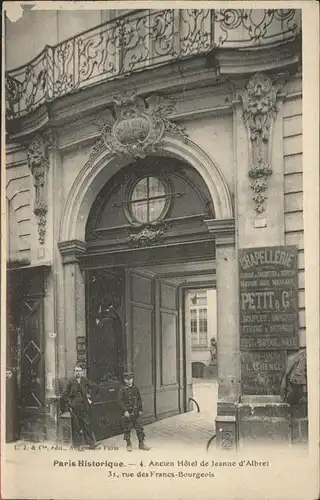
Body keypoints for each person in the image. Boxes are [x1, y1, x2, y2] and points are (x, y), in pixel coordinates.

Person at [61, 365, 99, 449]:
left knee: (87, 424)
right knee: (76, 425)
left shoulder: (84, 380)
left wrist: (90, 397)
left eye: (79, 371)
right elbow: (64, 394)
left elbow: (94, 386)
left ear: (82, 372)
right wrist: (69, 403)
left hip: (84, 405)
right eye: (76, 371)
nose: (78, 372)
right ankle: (77, 445)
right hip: (74, 406)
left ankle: (91, 443)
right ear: (74, 372)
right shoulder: (70, 381)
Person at [118, 371, 150, 452]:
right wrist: (125, 411)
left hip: (135, 412)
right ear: (124, 380)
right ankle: (128, 444)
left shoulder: (135, 388)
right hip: (127, 413)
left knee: (139, 428)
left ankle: (141, 444)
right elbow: (120, 402)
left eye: (131, 379)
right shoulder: (122, 390)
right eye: (127, 379)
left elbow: (139, 399)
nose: (129, 381)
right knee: (127, 429)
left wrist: (140, 409)